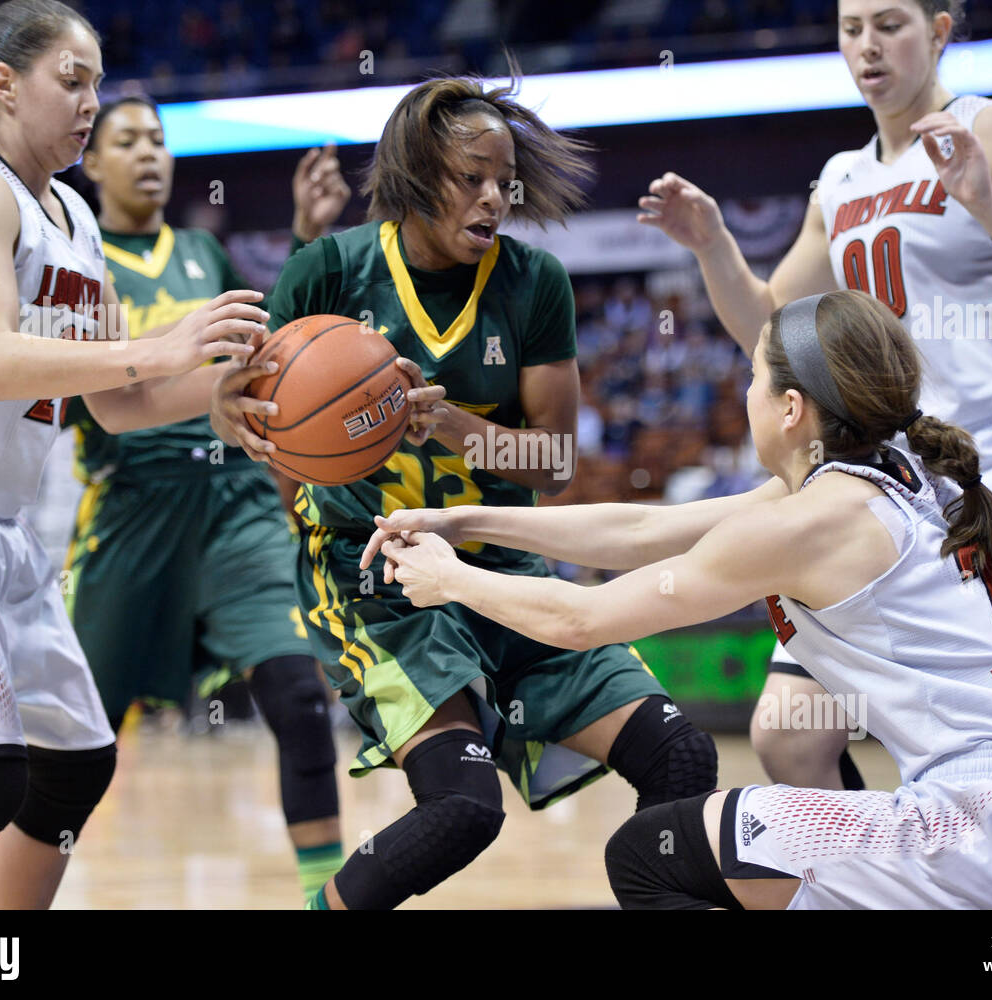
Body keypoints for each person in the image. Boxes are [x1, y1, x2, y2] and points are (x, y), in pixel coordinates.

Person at [369, 289, 992, 909]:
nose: (744, 390)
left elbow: (580, 620)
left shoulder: (812, 520)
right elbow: (641, 531)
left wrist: (451, 580)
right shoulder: (908, 477)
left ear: (791, 408)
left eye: (753, 374)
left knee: (651, 855)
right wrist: (461, 518)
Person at [211, 75, 719, 910]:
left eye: (504, 180)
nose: (495, 197)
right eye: (470, 178)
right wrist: (249, 417)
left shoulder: (533, 282)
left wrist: (448, 426)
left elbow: (555, 463)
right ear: (415, 173)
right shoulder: (325, 272)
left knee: (682, 759)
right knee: (462, 808)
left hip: (503, 571)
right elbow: (255, 424)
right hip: (382, 583)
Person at [637, 0, 992, 792]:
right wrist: (713, 245)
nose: (867, 46)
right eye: (851, 27)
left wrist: (988, 205)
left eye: (890, 24)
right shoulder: (840, 179)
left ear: (940, 30)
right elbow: (768, 326)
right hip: (898, 478)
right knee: (789, 739)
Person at [0, 0, 269, 909]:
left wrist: (218, 397)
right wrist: (165, 344)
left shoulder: (78, 224)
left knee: (75, 765)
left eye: (97, 82)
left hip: (1, 522)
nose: (90, 102)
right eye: (72, 81)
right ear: (4, 84)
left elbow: (117, 404)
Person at [64, 95, 352, 903]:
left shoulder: (199, 251)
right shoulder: (77, 261)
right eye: (127, 141)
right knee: (80, 735)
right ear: (92, 163)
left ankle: (322, 896)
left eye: (158, 139)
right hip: (133, 506)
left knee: (298, 696)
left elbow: (271, 347)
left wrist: (304, 234)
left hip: (233, 499)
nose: (149, 153)